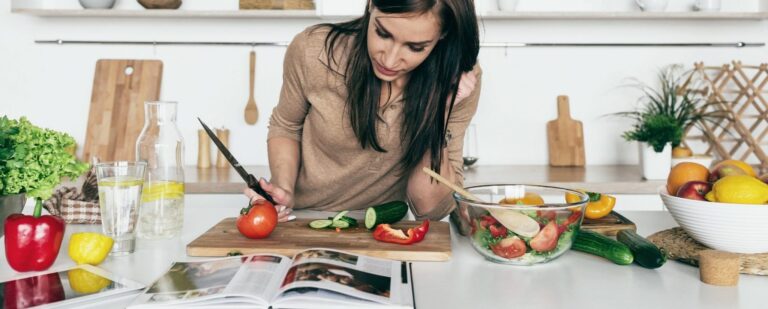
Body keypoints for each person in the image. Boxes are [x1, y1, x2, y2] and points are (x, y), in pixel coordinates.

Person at [246, 0, 481, 222]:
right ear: (371, 4)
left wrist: (442, 106)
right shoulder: (314, 50)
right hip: (304, 218)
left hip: (385, 228)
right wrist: (284, 189)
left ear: (443, 34)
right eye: (382, 33)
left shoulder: (459, 79)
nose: (389, 60)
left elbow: (427, 209)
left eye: (415, 47)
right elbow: (286, 126)